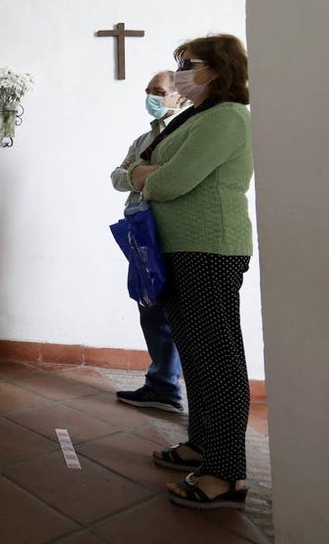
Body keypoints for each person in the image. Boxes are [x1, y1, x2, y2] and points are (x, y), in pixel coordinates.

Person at [128, 33, 254, 510]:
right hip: (182, 248)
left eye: (188, 62)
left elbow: (170, 181)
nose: (179, 70)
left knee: (217, 357)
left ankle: (226, 472)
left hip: (210, 249)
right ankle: (202, 445)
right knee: (196, 354)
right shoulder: (195, 115)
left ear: (219, 70)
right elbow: (144, 165)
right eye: (178, 62)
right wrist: (147, 171)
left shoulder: (227, 117)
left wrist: (147, 175)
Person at [110, 71, 187, 413]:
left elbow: (168, 178)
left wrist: (140, 176)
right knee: (149, 306)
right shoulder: (144, 140)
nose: (151, 97)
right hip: (142, 231)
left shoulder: (184, 132)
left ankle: (168, 384)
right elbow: (118, 177)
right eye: (148, 91)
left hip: (171, 229)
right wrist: (138, 176)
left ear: (179, 97)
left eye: (158, 91)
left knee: (174, 311)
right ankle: (160, 383)